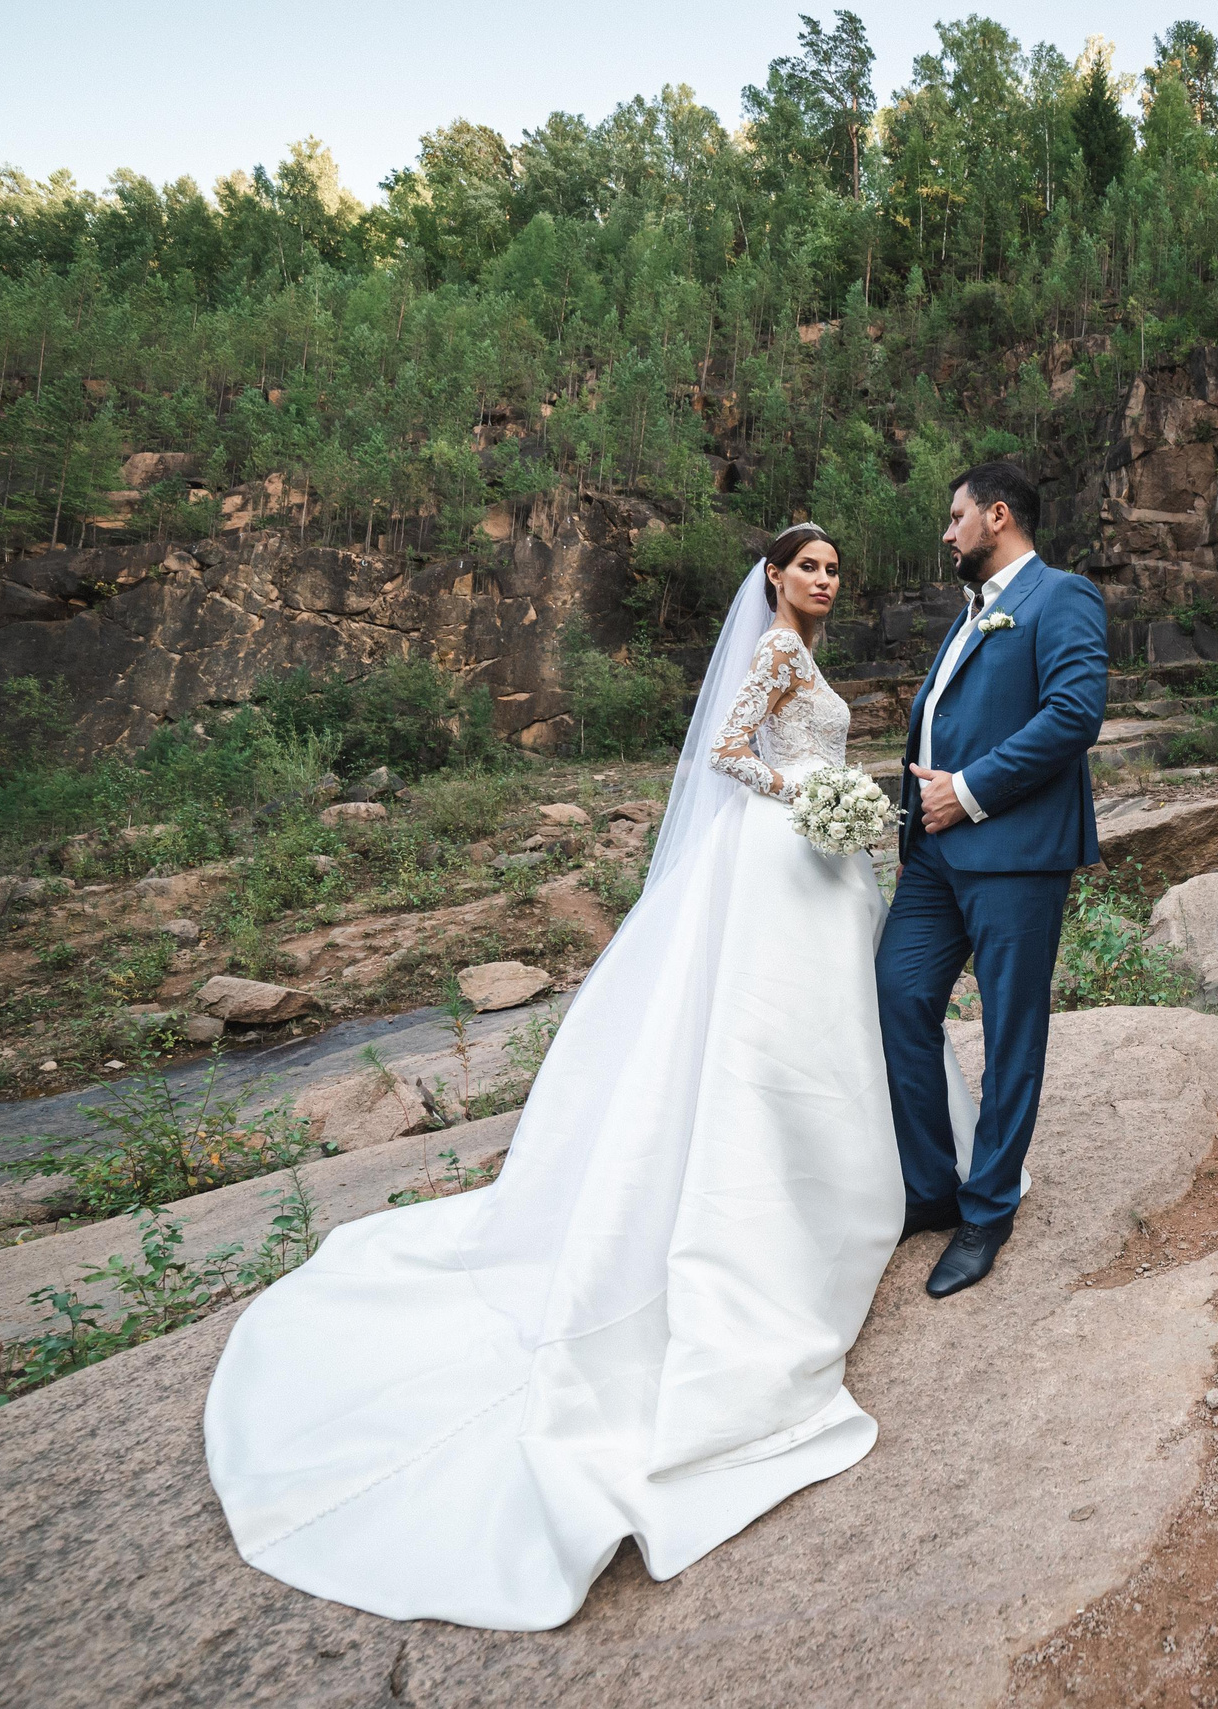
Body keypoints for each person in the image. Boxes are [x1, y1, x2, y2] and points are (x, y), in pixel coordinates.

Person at [202, 523, 981, 1631]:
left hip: (814, 863)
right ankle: (789, 1199)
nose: (823, 579)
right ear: (770, 575)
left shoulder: (799, 652)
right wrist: (811, 799)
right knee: (763, 1039)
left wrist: (834, 812)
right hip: (775, 851)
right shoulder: (770, 650)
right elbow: (727, 756)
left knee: (832, 1029)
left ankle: (882, 1173)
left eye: (834, 568)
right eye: (808, 565)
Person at [879, 461, 1109, 1298]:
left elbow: (1075, 714)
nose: (947, 533)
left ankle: (988, 1209)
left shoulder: (1063, 595)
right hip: (934, 856)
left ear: (998, 515)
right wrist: (919, 814)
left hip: (1013, 851)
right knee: (898, 995)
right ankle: (931, 1187)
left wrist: (967, 790)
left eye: (955, 517)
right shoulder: (969, 615)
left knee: (1012, 1028)